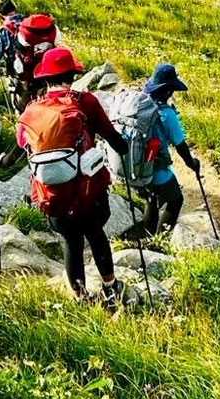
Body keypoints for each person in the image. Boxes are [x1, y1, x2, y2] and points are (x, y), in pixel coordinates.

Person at [15, 46, 129, 306]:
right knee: (96, 235)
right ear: (72, 76)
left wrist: (4, 161)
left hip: (53, 195)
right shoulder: (85, 102)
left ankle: (80, 296)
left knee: (71, 241)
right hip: (89, 192)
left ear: (45, 78)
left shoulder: (32, 110)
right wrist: (123, 148)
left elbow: (21, 146)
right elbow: (112, 137)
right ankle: (110, 288)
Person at [142, 63, 201, 236]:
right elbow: (180, 146)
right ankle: (161, 238)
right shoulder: (166, 114)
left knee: (152, 199)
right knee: (176, 200)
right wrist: (192, 164)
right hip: (156, 168)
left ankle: (148, 237)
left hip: (136, 166)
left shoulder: (142, 105)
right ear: (168, 91)